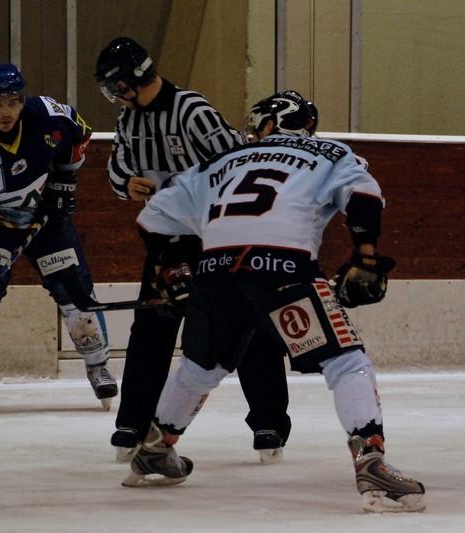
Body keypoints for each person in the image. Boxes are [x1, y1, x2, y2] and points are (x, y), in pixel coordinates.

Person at [120, 90, 426, 513]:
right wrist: (366, 256)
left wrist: (169, 269)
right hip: (282, 268)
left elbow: (153, 217)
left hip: (216, 270)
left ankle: (155, 450)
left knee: (200, 367)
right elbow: (364, 198)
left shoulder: (219, 161)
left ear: (269, 124)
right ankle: (371, 461)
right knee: (345, 360)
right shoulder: (330, 152)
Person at [94, 37, 292, 463]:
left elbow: (237, 165)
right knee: (151, 328)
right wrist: (127, 184)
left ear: (132, 79)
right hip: (168, 240)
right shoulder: (128, 119)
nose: (115, 95)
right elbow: (117, 168)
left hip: (220, 237)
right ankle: (134, 423)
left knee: (247, 325)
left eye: (115, 86)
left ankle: (269, 423)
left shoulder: (192, 111)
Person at [0, 64, 117, 410]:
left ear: (22, 100)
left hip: (46, 219)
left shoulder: (48, 116)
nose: (6, 112)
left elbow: (80, 134)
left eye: (12, 102)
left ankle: (98, 366)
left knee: (73, 288)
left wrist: (64, 183)